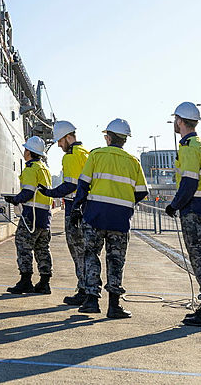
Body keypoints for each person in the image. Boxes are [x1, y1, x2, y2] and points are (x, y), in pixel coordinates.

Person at [72, 118, 149, 319]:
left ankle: (91, 301)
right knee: (116, 260)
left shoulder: (96, 155)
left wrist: (76, 208)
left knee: (91, 255)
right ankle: (114, 306)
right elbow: (142, 192)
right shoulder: (133, 162)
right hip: (120, 220)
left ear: (108, 137)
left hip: (95, 216)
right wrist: (124, 202)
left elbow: (83, 185)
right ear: (125, 140)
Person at [166, 101, 201, 328]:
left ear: (180, 121)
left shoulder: (188, 147)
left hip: (196, 209)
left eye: (175, 120)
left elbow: (189, 182)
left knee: (199, 258)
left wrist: (174, 205)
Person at [39, 119, 92, 305]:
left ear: (68, 137)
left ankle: (84, 289)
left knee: (77, 251)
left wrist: (50, 192)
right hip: (88, 209)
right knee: (86, 251)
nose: (60, 145)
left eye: (60, 141)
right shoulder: (86, 153)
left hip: (74, 208)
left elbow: (71, 184)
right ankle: (88, 288)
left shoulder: (70, 156)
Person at [2, 136, 54, 294]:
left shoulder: (31, 169)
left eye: (26, 150)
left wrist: (15, 199)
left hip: (31, 216)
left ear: (29, 152)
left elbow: (28, 192)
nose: (24, 152)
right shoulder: (44, 168)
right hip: (45, 217)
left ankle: (26, 281)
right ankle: (45, 283)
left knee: (23, 245)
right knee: (42, 248)